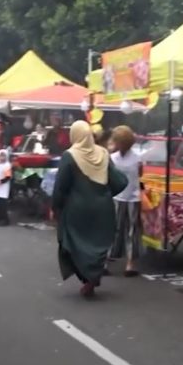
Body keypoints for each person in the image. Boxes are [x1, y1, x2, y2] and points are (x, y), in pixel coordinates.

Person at [52, 121, 128, 298]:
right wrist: (106, 194)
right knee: (97, 244)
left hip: (77, 210)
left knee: (77, 243)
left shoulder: (69, 156)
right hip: (103, 208)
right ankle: (92, 278)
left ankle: (88, 278)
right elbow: (120, 181)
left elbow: (60, 188)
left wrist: (56, 206)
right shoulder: (103, 153)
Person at [108, 126, 142, 277]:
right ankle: (130, 263)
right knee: (131, 231)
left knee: (115, 229)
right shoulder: (137, 158)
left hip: (120, 197)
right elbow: (140, 175)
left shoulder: (113, 158)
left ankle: (109, 260)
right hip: (131, 197)